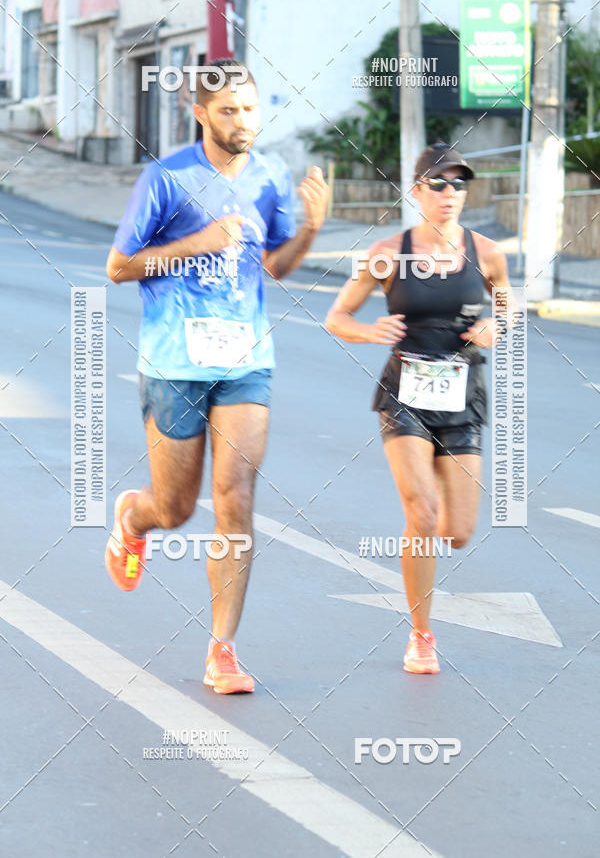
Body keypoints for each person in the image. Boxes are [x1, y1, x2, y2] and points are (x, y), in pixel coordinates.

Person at [104, 59, 329, 694]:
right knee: (174, 508)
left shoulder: (270, 177)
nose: (242, 121)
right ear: (201, 114)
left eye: (250, 109)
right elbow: (120, 267)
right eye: (228, 110)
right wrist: (196, 242)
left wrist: (310, 225)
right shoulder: (165, 178)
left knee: (236, 499)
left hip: (245, 362)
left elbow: (278, 266)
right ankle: (134, 519)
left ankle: (221, 650)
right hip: (174, 360)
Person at [325, 143, 511, 674]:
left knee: (458, 530)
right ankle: (421, 634)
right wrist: (367, 331)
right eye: (438, 184)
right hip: (403, 395)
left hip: (464, 396)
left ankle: (424, 600)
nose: (449, 194)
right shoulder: (388, 251)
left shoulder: (488, 252)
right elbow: (337, 315)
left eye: (458, 184)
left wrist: (497, 325)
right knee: (422, 514)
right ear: (416, 191)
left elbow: (504, 300)